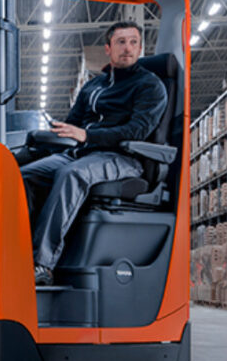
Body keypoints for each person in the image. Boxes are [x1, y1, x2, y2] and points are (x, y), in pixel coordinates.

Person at [21, 20, 167, 286]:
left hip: (123, 157)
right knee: (23, 176)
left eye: (134, 42)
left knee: (71, 175)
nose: (128, 48)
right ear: (108, 49)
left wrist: (88, 136)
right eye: (121, 42)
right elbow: (71, 125)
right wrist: (33, 146)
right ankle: (18, 254)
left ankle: (42, 264)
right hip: (83, 153)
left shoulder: (150, 86)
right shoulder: (92, 86)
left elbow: (137, 130)